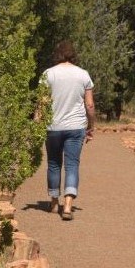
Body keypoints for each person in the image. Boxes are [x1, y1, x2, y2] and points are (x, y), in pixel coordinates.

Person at [41, 40, 95, 220]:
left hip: (53, 126)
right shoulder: (83, 75)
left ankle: (55, 203)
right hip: (76, 127)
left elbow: (41, 103)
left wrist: (36, 125)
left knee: (54, 164)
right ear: (73, 54)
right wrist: (91, 126)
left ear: (58, 54)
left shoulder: (48, 74)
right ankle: (68, 205)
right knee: (72, 164)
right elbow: (90, 105)